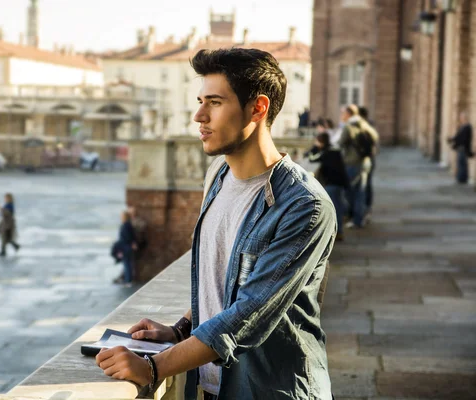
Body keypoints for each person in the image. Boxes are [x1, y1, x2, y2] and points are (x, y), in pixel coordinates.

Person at [96, 48, 336, 399]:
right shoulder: (218, 174)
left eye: (215, 102)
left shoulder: (304, 207)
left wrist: (153, 368)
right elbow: (222, 276)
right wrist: (180, 330)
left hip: (271, 390)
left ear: (258, 108)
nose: (198, 116)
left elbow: (247, 314)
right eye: (199, 101)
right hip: (213, 388)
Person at [339, 104, 376, 229]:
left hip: (352, 162)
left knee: (349, 192)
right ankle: (359, 217)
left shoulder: (348, 127)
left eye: (343, 113)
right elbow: (375, 138)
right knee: (360, 191)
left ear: (349, 114)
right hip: (365, 162)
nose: (341, 116)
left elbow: (340, 143)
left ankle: (355, 218)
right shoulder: (364, 124)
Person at [307, 133, 349, 241]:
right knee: (338, 206)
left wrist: (315, 147)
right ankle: (339, 231)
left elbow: (312, 158)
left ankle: (337, 232)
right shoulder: (334, 150)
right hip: (340, 182)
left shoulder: (326, 152)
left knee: (333, 208)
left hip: (331, 183)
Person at [358, 106, 379, 221]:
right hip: (370, 158)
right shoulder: (370, 125)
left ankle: (364, 210)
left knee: (363, 186)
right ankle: (367, 208)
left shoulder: (363, 126)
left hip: (364, 159)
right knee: (367, 184)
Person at [448, 111, 473, 184]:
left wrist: (455, 141)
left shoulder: (467, 127)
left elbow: (464, 139)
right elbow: (458, 136)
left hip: (463, 147)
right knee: (460, 162)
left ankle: (463, 178)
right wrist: (452, 139)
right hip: (460, 147)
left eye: (462, 117)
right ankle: (460, 178)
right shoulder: (462, 126)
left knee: (463, 163)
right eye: (461, 117)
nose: (461, 118)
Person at [117, 210, 138, 286]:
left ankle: (128, 280)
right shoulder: (128, 225)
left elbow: (126, 238)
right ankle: (127, 280)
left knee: (127, 264)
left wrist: (120, 249)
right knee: (127, 263)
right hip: (127, 247)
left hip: (126, 247)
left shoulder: (125, 225)